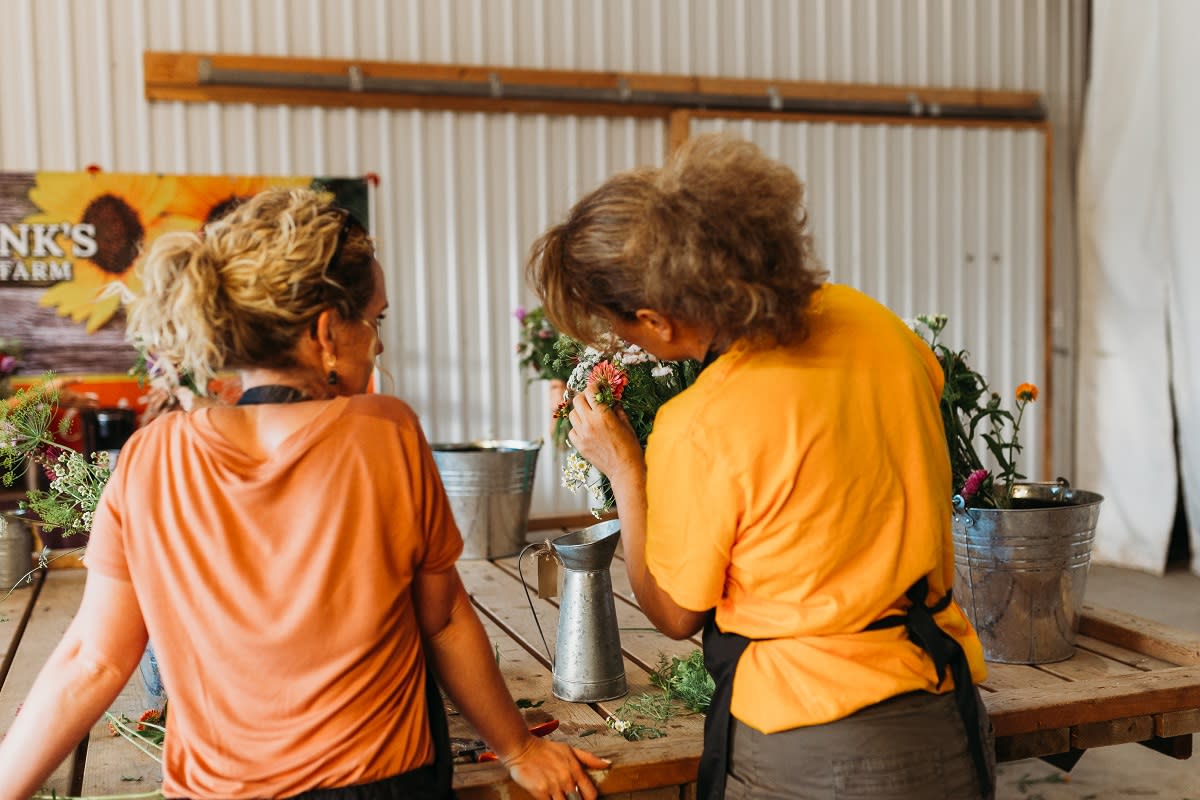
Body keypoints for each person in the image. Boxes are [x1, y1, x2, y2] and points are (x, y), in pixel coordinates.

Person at [0, 187, 608, 799]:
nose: (379, 343)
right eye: (376, 320)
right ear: (324, 333)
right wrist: (521, 748)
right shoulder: (386, 430)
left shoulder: (149, 457)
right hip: (383, 783)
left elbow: (93, 662)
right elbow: (443, 617)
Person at [526, 132, 996, 800]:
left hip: (810, 742)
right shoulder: (880, 328)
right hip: (943, 708)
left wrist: (624, 468)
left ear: (658, 321)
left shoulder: (706, 423)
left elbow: (674, 612)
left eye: (619, 326)